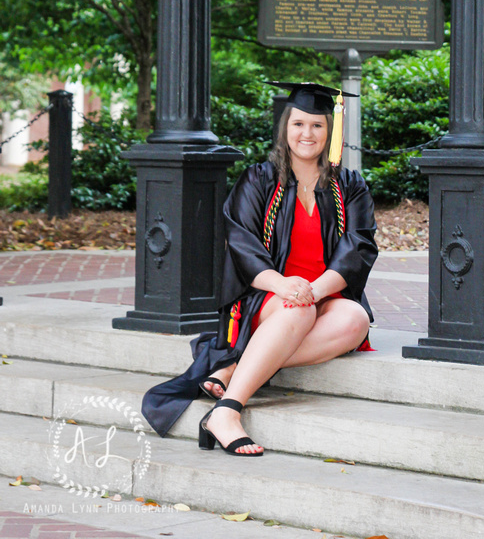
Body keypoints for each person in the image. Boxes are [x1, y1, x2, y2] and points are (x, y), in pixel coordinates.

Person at [141, 82, 377, 457]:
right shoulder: (259, 180)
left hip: (324, 292)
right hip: (268, 294)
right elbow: (241, 243)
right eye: (299, 124)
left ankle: (234, 369)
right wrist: (284, 286)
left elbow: (358, 249)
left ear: (330, 131)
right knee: (296, 311)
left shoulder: (350, 186)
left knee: (355, 319)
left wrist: (313, 290)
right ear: (285, 127)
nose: (307, 134)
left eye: (317, 125)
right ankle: (227, 412)